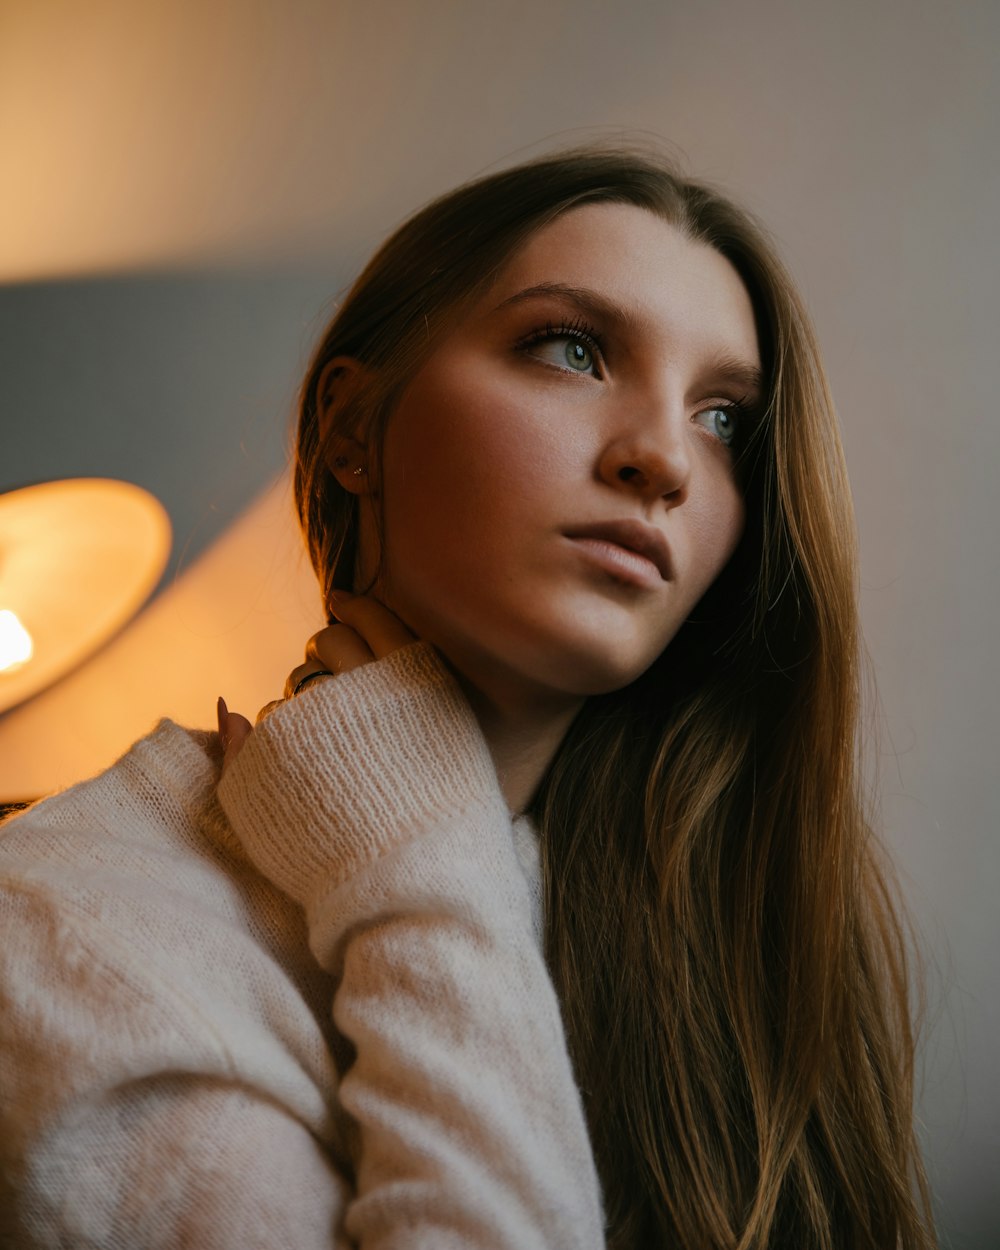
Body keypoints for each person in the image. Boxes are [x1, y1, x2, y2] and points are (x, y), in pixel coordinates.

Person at [0, 146, 933, 1249]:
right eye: (571, 350)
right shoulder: (73, 931)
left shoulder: (731, 933)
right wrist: (419, 867)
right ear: (353, 430)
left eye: (722, 417)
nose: (663, 460)